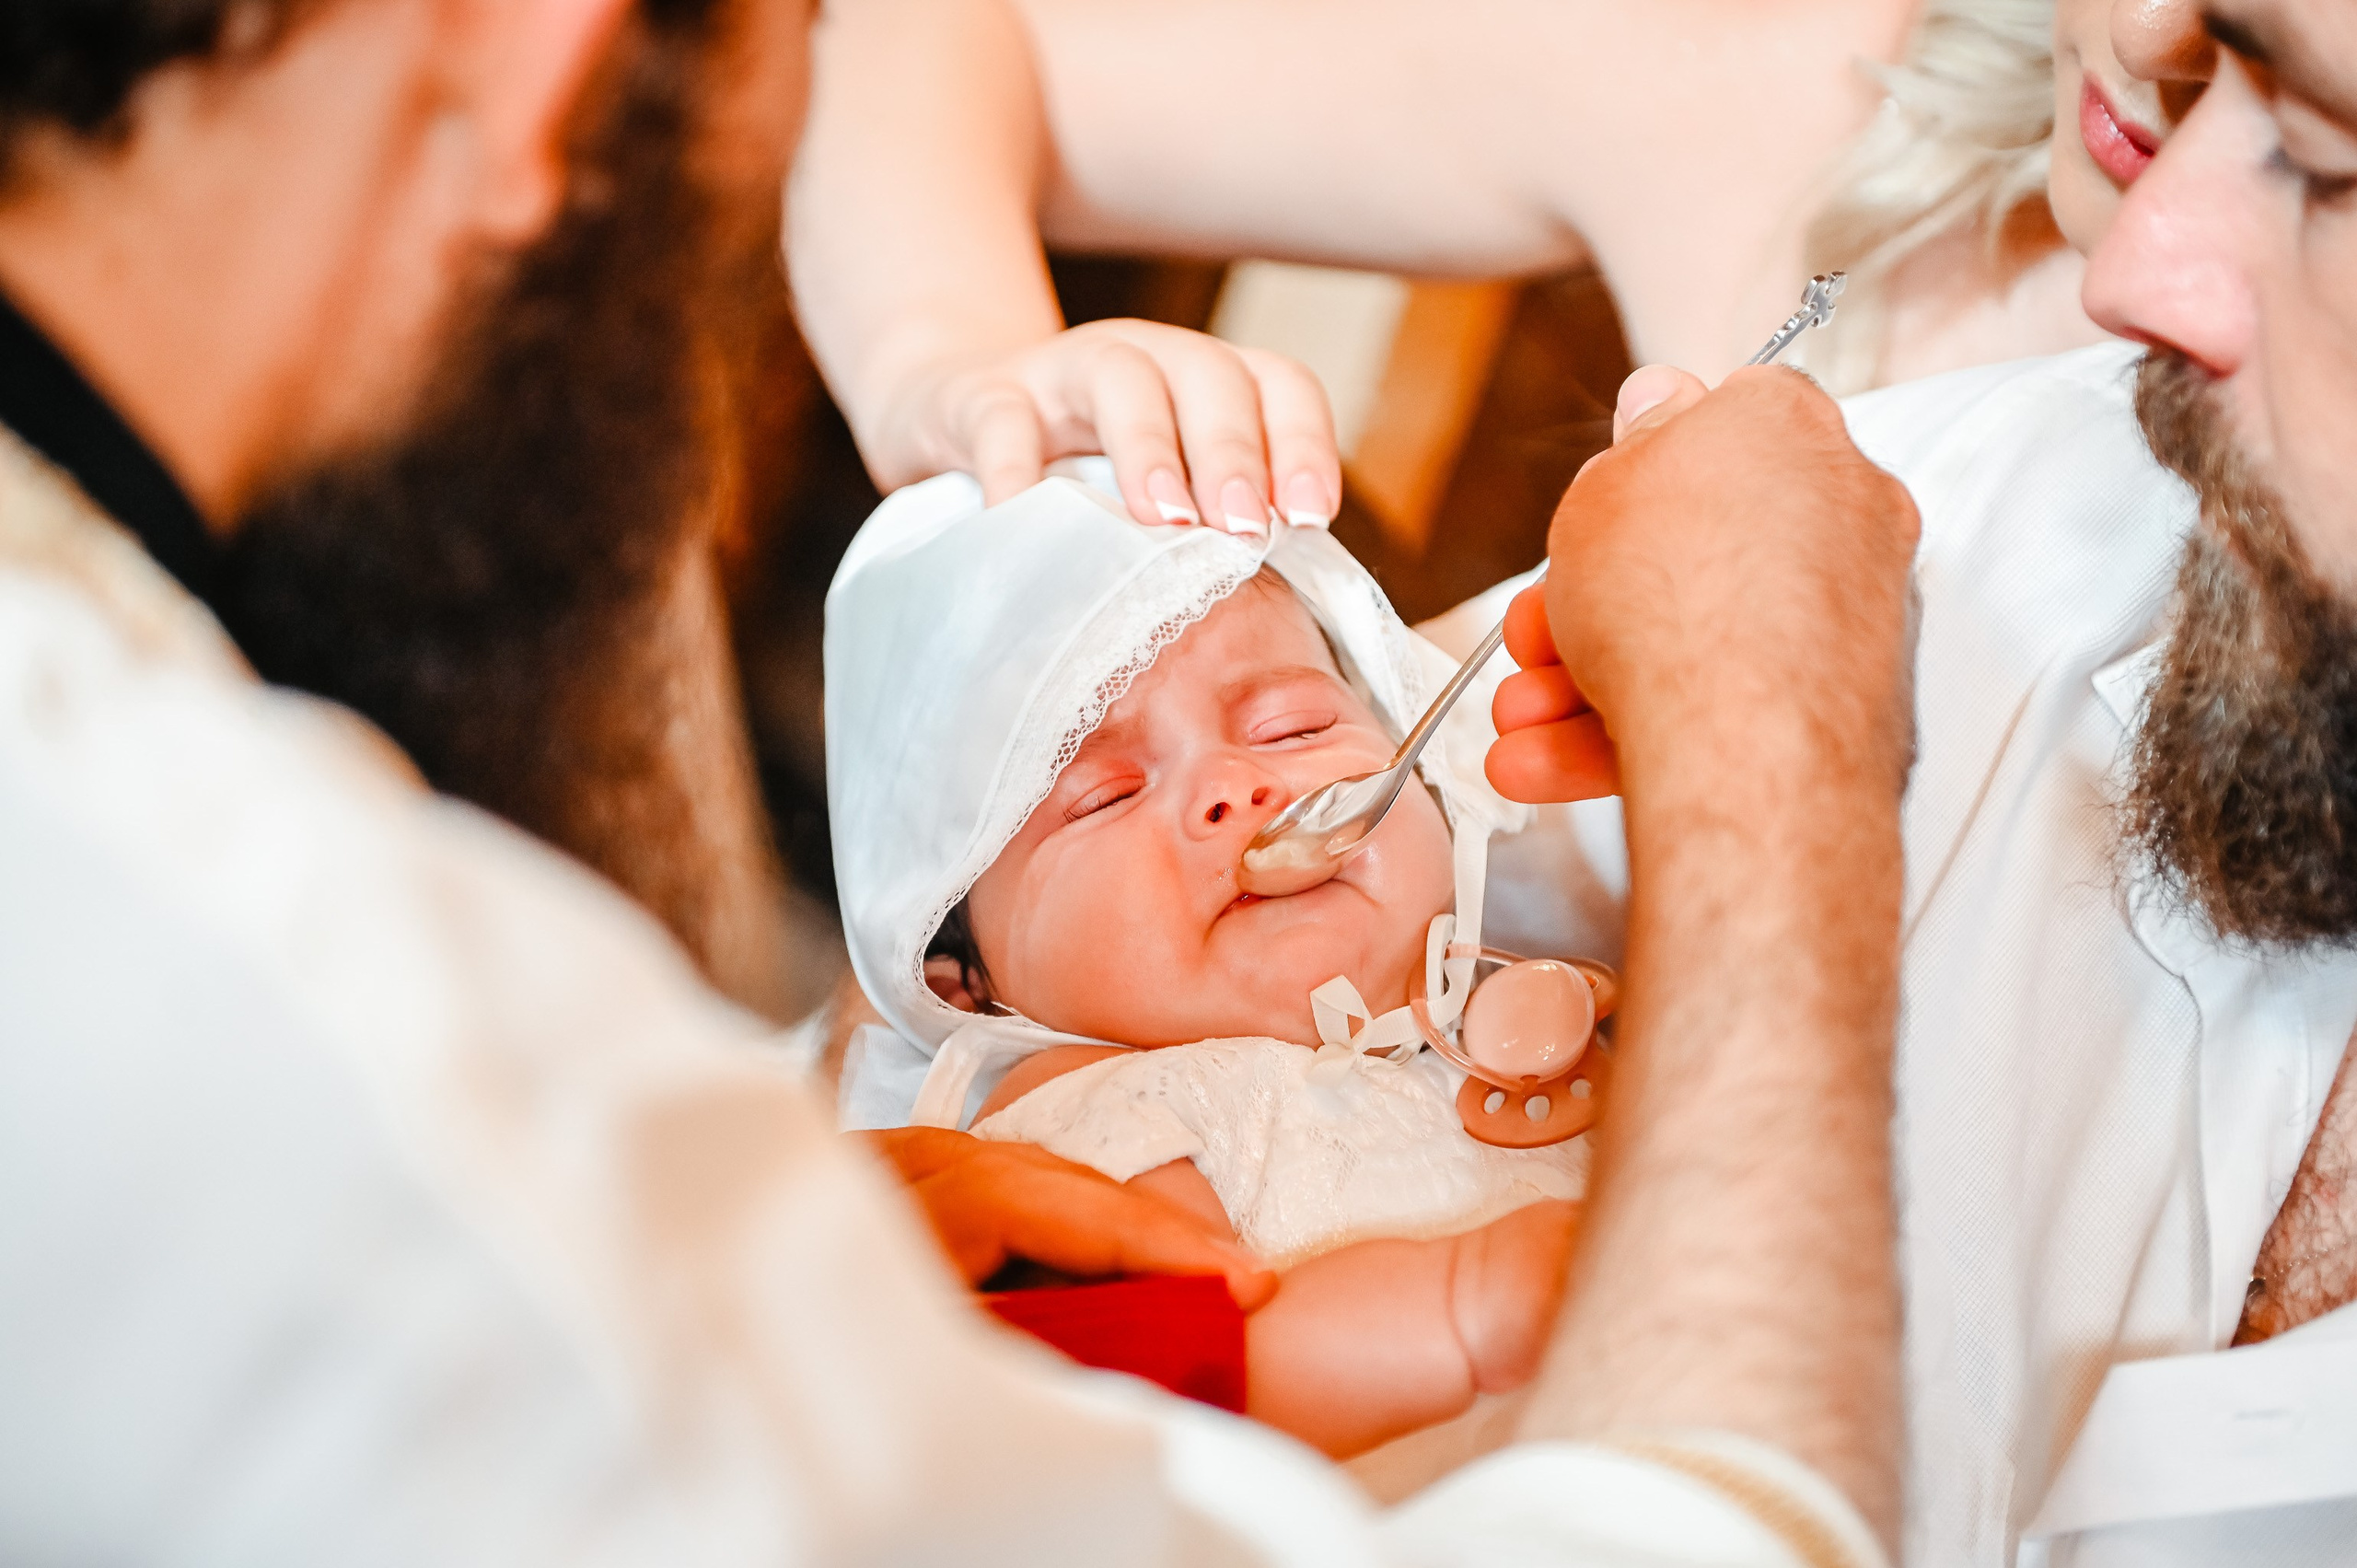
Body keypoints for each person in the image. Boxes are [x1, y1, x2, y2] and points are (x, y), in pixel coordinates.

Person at [0, 0, 1923, 1562]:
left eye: (1280, 720)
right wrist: (1770, 753)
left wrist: (961, 385)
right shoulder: (273, 1021)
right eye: (1078, 783)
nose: (1237, 797)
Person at [824, 468, 1594, 1461]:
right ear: (966, 983)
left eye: (1295, 728)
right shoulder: (1084, 1120)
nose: (1235, 784)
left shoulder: (1526, 986)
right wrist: (1466, 1304)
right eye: (1103, 794)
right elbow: (1167, 1400)